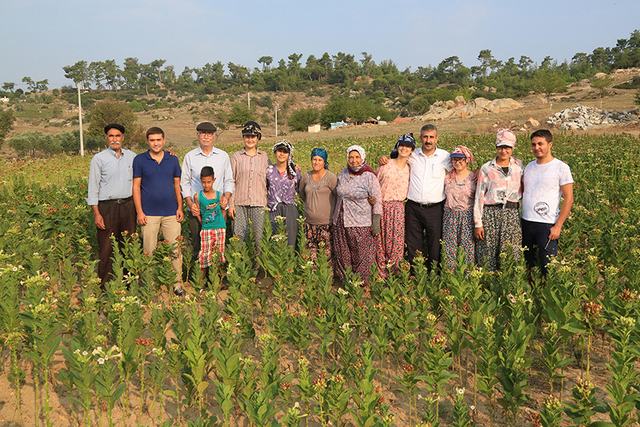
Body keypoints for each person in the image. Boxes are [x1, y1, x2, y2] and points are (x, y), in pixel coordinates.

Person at [132, 127, 184, 295]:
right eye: (152, 140)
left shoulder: (172, 159)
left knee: (175, 249)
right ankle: (149, 284)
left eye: (158, 140)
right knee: (149, 250)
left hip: (171, 212)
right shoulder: (139, 160)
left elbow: (177, 185)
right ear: (148, 141)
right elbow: (136, 186)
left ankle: (177, 284)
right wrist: (139, 212)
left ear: (164, 140)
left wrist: (180, 207)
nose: (156, 143)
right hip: (149, 214)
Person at [87, 123, 137, 284]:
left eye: (117, 136)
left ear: (123, 137)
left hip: (129, 206)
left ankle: (128, 284)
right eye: (111, 136)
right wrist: (97, 213)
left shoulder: (132, 157)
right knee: (107, 246)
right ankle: (105, 285)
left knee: (128, 245)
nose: (114, 139)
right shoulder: (99, 159)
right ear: (107, 138)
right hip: (107, 207)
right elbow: (93, 186)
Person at [522, 129, 574, 276]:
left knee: (547, 266)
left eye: (540, 144)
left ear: (550, 144)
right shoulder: (528, 167)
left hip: (546, 224)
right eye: (533, 144)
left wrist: (558, 226)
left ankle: (547, 295)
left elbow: (569, 198)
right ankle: (530, 295)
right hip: (526, 222)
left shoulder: (561, 167)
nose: (536, 147)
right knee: (528, 263)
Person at [181, 122, 234, 261]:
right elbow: (185, 182)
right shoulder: (190, 156)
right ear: (198, 135)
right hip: (197, 210)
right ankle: (199, 278)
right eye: (202, 133)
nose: (206, 137)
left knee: (219, 244)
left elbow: (229, 180)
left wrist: (226, 197)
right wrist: (190, 204)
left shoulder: (223, 156)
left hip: (218, 210)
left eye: (209, 134)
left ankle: (217, 277)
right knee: (198, 244)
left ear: (214, 136)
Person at [474, 129, 524, 271]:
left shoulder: (519, 167)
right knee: (488, 251)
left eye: (507, 147)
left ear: (512, 148)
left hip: (511, 214)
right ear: (496, 147)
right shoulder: (487, 168)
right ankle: (488, 283)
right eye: (501, 147)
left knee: (510, 251)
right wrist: (478, 223)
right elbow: (479, 196)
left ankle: (508, 284)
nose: (504, 151)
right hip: (490, 214)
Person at [333, 145, 382, 284]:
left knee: (362, 255)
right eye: (351, 157)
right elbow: (338, 195)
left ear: (362, 157)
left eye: (357, 157)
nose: (354, 160)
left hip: (361, 221)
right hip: (341, 221)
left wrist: (376, 222)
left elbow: (377, 199)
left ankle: (363, 285)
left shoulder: (369, 176)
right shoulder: (342, 174)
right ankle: (347, 283)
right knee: (343, 254)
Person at [403, 124, 451, 270]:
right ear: (420, 138)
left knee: (435, 241)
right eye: (425, 137)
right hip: (413, 206)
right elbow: (396, 159)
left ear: (437, 138)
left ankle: (434, 272)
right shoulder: (412, 154)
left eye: (431, 137)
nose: (428, 140)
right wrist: (384, 159)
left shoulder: (445, 157)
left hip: (435, 208)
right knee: (413, 241)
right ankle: (416, 271)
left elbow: (456, 172)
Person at [375, 133, 414, 276]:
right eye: (402, 145)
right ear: (397, 146)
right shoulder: (385, 165)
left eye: (408, 146)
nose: (404, 148)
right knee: (380, 241)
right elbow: (374, 185)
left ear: (412, 150)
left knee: (396, 241)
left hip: (398, 208)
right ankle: (380, 273)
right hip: (382, 205)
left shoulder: (411, 168)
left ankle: (395, 272)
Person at [229, 121, 269, 252]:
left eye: (253, 136)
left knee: (258, 239)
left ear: (258, 138)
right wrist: (231, 204)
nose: (250, 139)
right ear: (243, 138)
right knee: (239, 237)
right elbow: (231, 181)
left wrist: (293, 168)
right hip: (239, 203)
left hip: (258, 203)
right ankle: (239, 267)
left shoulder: (264, 157)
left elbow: (274, 174)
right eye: (247, 136)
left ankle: (258, 269)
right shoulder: (236, 157)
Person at [298, 147, 337, 263]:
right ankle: (313, 279)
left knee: (326, 256)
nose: (316, 162)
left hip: (326, 224)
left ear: (324, 162)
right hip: (309, 224)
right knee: (311, 256)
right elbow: (302, 194)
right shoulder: (306, 177)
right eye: (314, 159)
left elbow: (338, 196)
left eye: (320, 160)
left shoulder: (331, 177)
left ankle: (327, 279)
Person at [442, 146, 478, 270]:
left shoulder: (474, 177)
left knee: (467, 247)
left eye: (461, 159)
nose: (457, 162)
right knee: (449, 248)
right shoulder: (447, 177)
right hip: (450, 215)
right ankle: (449, 275)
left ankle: (468, 276)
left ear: (467, 160)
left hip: (467, 216)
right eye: (454, 159)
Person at [267, 140, 301, 247]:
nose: (281, 154)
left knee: (290, 240)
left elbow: (300, 188)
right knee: (274, 240)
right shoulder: (268, 170)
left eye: (285, 152)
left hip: (290, 208)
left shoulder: (295, 171)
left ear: (289, 154)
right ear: (275, 152)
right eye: (279, 151)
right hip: (273, 209)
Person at [195, 166, 228, 274]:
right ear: (201, 181)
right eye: (204, 182)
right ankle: (200, 283)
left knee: (218, 254)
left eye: (209, 182)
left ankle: (216, 281)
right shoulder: (198, 196)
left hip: (220, 228)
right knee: (204, 255)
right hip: (206, 229)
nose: (206, 185)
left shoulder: (219, 195)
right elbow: (198, 213)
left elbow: (223, 211)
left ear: (214, 180)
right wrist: (203, 223)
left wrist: (221, 223)